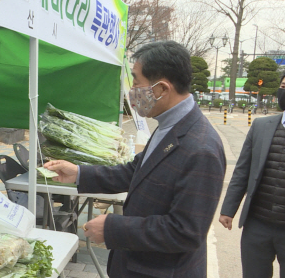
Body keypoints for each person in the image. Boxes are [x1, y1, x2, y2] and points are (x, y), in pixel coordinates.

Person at [44, 41, 226, 278]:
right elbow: (135, 172)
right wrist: (79, 172)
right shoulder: (168, 126)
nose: (132, 92)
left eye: (137, 83)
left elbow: (186, 232)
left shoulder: (200, 148)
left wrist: (113, 228)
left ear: (161, 88)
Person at [219, 74, 285, 278]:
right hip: (257, 224)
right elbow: (242, 170)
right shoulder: (261, 126)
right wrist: (228, 209)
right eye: (283, 85)